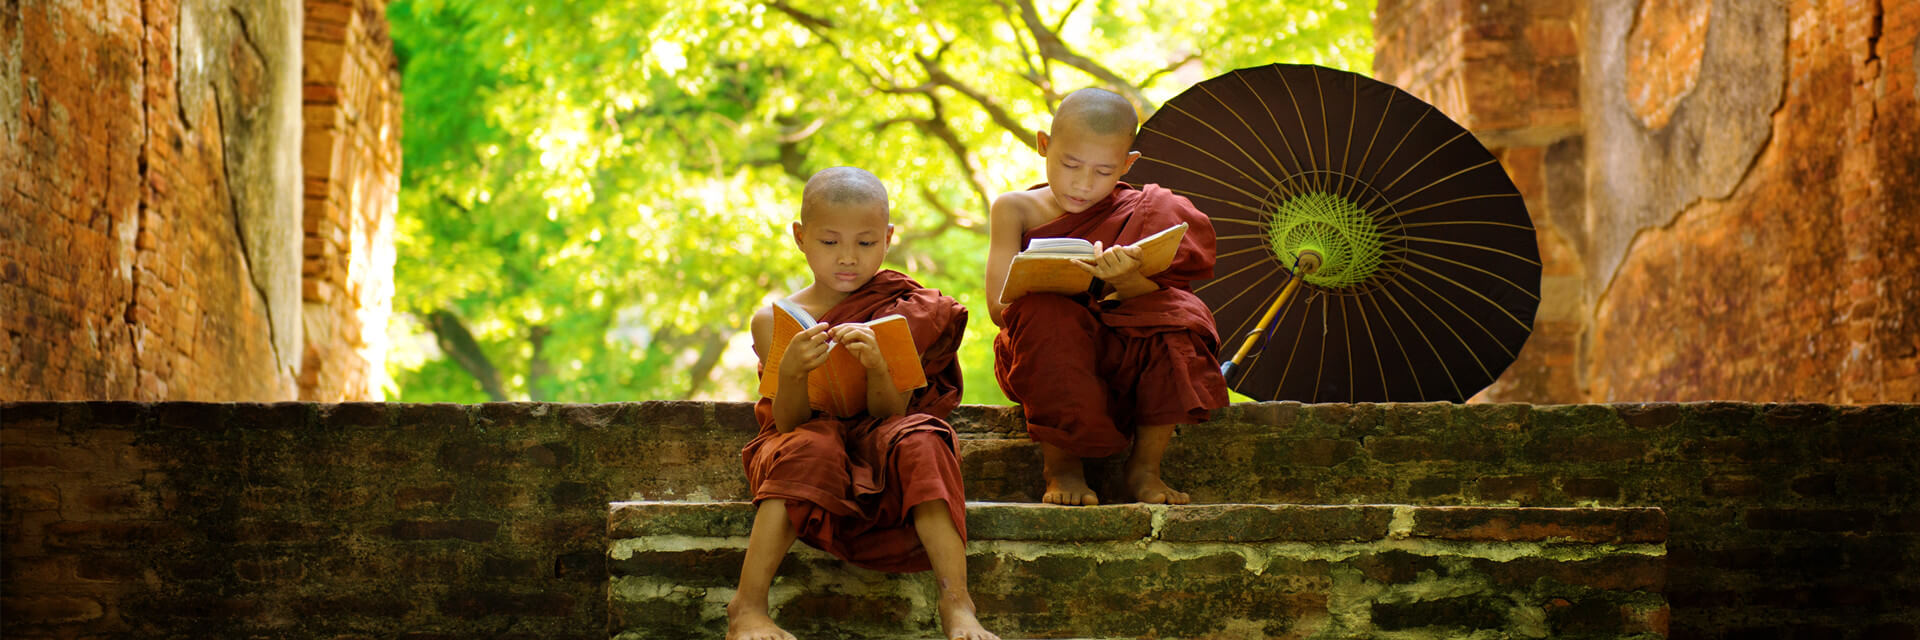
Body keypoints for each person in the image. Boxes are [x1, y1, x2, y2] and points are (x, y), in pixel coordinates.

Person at [730, 167, 996, 640]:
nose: (848, 258)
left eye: (866, 243)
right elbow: (788, 423)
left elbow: (891, 414)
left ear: (889, 238)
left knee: (923, 439)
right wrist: (791, 371)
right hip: (804, 442)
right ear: (800, 237)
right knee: (813, 444)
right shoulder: (774, 321)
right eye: (830, 243)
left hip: (880, 433)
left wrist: (878, 366)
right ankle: (747, 607)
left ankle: (958, 604)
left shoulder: (900, 312)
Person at [984, 87, 1229, 507]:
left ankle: (1144, 468)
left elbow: (1165, 297)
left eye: (1103, 171)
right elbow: (998, 309)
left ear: (1128, 164)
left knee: (1180, 316)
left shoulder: (1147, 211)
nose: (1083, 183)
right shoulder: (1014, 208)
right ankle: (1062, 466)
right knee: (1046, 314)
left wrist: (1129, 280)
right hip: (1049, 349)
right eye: (1070, 164)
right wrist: (1052, 282)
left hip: (1123, 350)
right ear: (1044, 145)